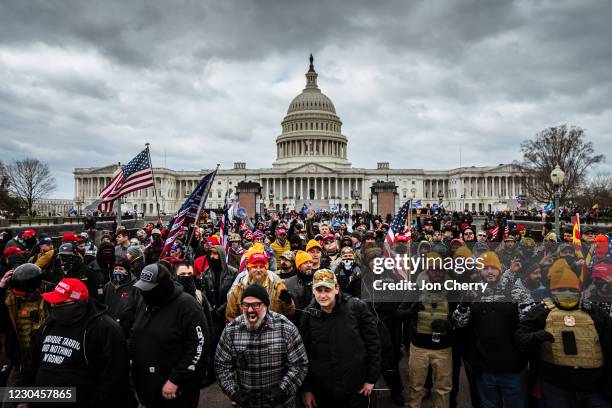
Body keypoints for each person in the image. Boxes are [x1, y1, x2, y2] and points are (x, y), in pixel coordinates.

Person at [16, 278, 135, 407]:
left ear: (77, 302)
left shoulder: (105, 328)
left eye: (59, 302)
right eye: (53, 301)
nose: (53, 305)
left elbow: (115, 379)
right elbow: (29, 362)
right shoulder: (50, 322)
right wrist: (21, 397)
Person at [516, 258, 612, 407]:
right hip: (556, 386)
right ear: (553, 291)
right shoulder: (541, 311)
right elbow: (521, 336)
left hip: (594, 388)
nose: (566, 293)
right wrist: (534, 338)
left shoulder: (595, 312)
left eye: (572, 290)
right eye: (560, 290)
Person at [215, 283, 309, 407]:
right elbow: (221, 366)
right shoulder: (231, 331)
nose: (249, 310)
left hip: (281, 404)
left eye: (255, 305)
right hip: (247, 404)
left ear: (266, 305)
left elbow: (299, 364)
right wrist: (233, 392)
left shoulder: (286, 328)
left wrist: (283, 389)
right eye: (245, 305)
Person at [300, 269, 381, 408]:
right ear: (313, 290)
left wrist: (371, 379)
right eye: (319, 290)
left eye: (327, 290)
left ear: (336, 289)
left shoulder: (356, 307)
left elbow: (373, 345)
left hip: (355, 388)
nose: (323, 295)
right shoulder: (308, 314)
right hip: (323, 390)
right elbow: (303, 354)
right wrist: (306, 390)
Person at [131, 262, 208, 408]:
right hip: (148, 386)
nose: (144, 292)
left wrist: (176, 379)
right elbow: (137, 332)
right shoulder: (145, 301)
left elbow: (199, 347)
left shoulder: (187, 305)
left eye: (149, 289)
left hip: (176, 390)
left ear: (162, 286)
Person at [398, 253, 456, 408]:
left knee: (443, 389)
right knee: (415, 386)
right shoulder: (416, 289)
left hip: (443, 348)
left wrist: (450, 325)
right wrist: (411, 312)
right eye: (433, 270)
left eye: (441, 270)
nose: (437, 273)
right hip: (419, 347)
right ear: (427, 270)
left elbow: (459, 317)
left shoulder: (452, 289)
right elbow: (399, 313)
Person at [0, 263, 48, 386]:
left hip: (44, 360)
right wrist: (1, 288)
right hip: (20, 359)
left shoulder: (49, 298)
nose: (22, 298)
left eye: (25, 295)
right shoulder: (10, 301)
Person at [226, 252, 295, 323]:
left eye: (261, 267)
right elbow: (230, 317)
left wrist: (288, 303)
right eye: (255, 267)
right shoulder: (238, 290)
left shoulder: (278, 287)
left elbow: (290, 314)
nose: (258, 270)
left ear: (266, 269)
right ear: (249, 269)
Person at [102, 257, 142, 338]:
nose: (117, 271)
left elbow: (139, 310)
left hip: (126, 331)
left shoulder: (136, 287)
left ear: (127, 270)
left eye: (121, 268)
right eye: (115, 268)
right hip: (108, 328)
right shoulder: (108, 286)